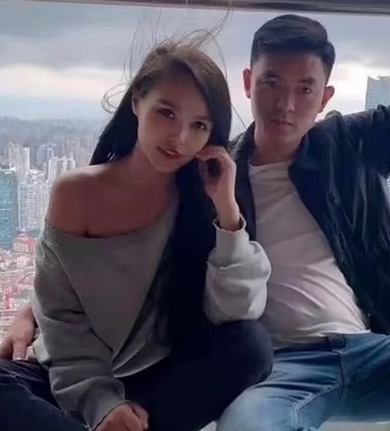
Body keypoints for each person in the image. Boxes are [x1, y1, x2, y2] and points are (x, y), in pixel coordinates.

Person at [2, 1, 390, 430]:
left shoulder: (352, 146)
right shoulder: (209, 176)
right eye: (271, 83)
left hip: (375, 351)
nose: (286, 103)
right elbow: (116, 252)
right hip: (278, 368)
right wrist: (33, 311)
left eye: (305, 88)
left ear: (326, 96)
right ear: (248, 83)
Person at [0, 36, 273, 431]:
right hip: (72, 379)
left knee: (252, 347)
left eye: (199, 125)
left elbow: (235, 314)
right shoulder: (77, 193)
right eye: (166, 113)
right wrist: (102, 404)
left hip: (155, 383)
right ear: (136, 102)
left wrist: (227, 212)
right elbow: (61, 317)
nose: (180, 137)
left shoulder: (205, 199)